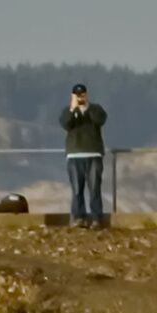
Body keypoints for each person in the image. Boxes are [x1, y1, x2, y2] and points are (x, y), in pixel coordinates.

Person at [62, 82, 110, 225]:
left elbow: (100, 120)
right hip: (74, 155)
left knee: (94, 188)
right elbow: (65, 124)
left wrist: (86, 107)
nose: (80, 97)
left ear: (86, 94)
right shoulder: (68, 111)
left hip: (93, 155)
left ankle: (96, 218)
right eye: (77, 94)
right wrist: (73, 108)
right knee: (77, 190)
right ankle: (78, 217)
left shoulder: (95, 109)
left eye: (82, 94)